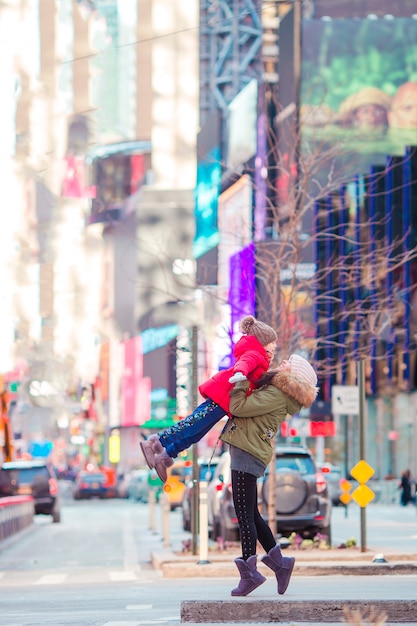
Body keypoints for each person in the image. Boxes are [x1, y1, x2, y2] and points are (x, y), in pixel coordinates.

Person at [220, 354, 318, 597]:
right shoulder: (277, 391)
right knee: (251, 514)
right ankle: (281, 564)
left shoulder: (276, 394)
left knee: (244, 515)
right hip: (248, 449)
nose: (282, 361)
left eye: (288, 363)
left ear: (293, 375)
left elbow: (238, 407)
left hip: (247, 451)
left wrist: (240, 382)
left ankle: (250, 573)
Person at [140, 315, 278, 481]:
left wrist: (277, 373)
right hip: (221, 396)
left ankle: (165, 457)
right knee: (192, 424)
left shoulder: (261, 359)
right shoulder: (255, 354)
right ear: (263, 341)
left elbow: (258, 379)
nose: (275, 345)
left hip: (225, 403)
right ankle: (155, 442)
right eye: (272, 342)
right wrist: (240, 373)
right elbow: (245, 363)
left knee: (196, 432)